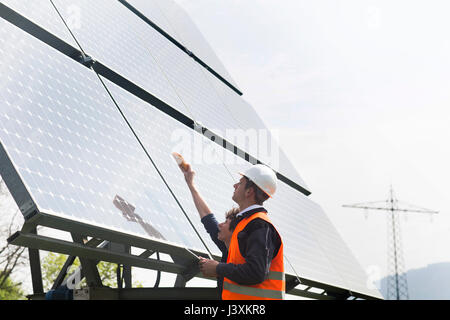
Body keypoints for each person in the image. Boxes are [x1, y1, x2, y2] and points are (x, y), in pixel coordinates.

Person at [180, 161, 285, 300]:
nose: (235, 185)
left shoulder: (259, 225)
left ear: (249, 191)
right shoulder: (244, 225)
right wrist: (191, 184)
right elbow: (210, 222)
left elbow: (256, 272)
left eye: (240, 183)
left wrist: (218, 268)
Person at [181, 163, 239, 293]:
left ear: (235, 232)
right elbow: (207, 217)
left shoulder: (246, 257)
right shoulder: (225, 246)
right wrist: (190, 183)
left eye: (225, 222)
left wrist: (218, 268)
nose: (220, 224)